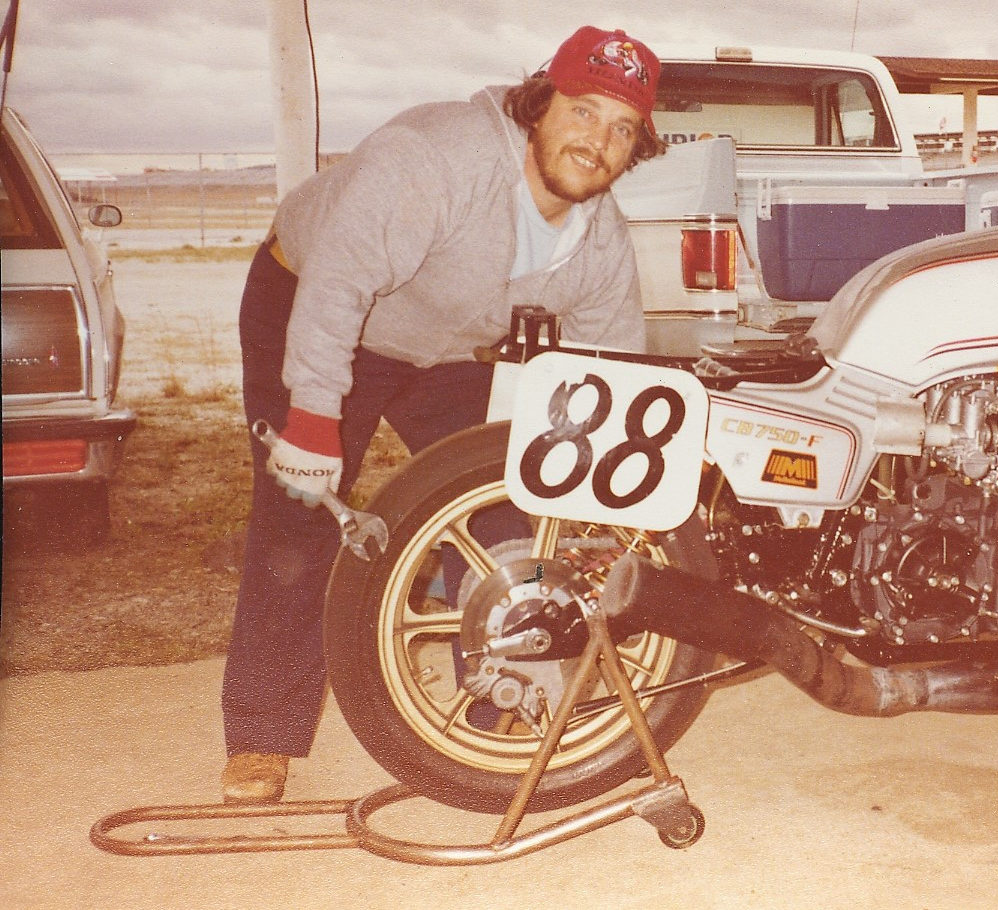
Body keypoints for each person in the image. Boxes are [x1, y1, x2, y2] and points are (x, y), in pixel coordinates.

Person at [220, 25, 666, 804]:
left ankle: (504, 708)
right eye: (585, 111)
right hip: (314, 302)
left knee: (503, 508)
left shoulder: (602, 247)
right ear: (538, 104)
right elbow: (337, 286)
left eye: (623, 127)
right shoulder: (434, 159)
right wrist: (315, 421)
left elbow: (610, 380)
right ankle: (262, 735)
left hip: (446, 344)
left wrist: (597, 515)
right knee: (300, 514)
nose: (600, 141)